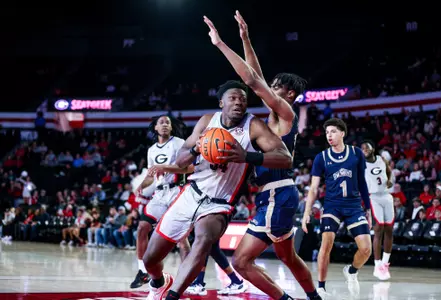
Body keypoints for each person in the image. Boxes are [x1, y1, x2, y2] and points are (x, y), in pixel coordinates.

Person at [204, 13, 320, 300]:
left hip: (276, 194)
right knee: (289, 258)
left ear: (288, 94)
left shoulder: (285, 112)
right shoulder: (270, 118)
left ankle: (284, 299)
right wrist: (245, 37)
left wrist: (220, 44)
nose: (270, 87)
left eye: (276, 86)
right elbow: (256, 77)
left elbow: (254, 82)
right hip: (278, 194)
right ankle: (314, 298)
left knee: (241, 262)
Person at [142, 79, 293, 300]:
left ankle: (172, 297)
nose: (238, 102)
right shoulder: (207, 121)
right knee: (150, 259)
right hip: (191, 194)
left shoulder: (254, 126)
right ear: (221, 102)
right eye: (233, 98)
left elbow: (285, 159)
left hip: (220, 203)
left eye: (242, 99)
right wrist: (196, 148)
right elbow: (181, 160)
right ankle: (159, 282)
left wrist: (248, 156)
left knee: (202, 241)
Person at [302, 118, 372, 297]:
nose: (329, 136)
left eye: (333, 131)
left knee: (366, 249)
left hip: (354, 205)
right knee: (326, 242)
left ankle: (352, 271)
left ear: (342, 133)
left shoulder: (356, 153)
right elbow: (314, 188)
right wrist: (306, 212)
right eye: (327, 133)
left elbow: (363, 183)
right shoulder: (321, 157)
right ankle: (321, 287)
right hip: (332, 206)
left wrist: (369, 210)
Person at [130, 115, 193, 289]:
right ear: (156, 128)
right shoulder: (152, 150)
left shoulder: (179, 143)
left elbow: (191, 167)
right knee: (142, 228)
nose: (165, 125)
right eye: (161, 123)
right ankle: (143, 271)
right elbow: (152, 176)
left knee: (181, 239)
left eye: (168, 123)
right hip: (159, 194)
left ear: (171, 128)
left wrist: (165, 168)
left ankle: (188, 277)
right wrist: (143, 184)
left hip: (177, 191)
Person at [361, 140, 394, 281]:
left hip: (386, 195)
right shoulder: (361, 165)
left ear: (372, 148)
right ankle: (376, 264)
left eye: (366, 147)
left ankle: (385, 264)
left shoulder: (381, 159)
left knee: (389, 229)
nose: (364, 150)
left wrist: (389, 179)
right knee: (378, 228)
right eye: (362, 149)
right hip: (373, 197)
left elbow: (388, 169)